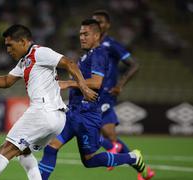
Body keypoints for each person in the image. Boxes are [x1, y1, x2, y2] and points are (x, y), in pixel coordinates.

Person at [0, 24, 97, 180]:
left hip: (42, 112)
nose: (8, 50)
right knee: (24, 152)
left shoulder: (40, 52)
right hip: (56, 119)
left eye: (10, 45)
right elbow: (6, 81)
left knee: (7, 149)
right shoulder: (24, 61)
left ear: (24, 41)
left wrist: (84, 88)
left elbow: (69, 63)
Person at [39, 19, 147, 180]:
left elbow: (97, 82)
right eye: (81, 34)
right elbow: (82, 80)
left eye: (86, 34)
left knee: (89, 161)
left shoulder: (99, 54)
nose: (82, 37)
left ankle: (132, 157)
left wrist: (68, 83)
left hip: (86, 116)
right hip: (73, 112)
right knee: (51, 148)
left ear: (96, 36)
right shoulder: (86, 56)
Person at [92, 10, 154, 180]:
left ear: (108, 25)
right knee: (109, 136)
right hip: (94, 94)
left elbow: (134, 64)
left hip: (106, 94)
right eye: (94, 21)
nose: (97, 24)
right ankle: (145, 170)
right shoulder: (91, 44)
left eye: (100, 22)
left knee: (87, 129)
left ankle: (114, 148)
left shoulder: (111, 44)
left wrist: (120, 84)